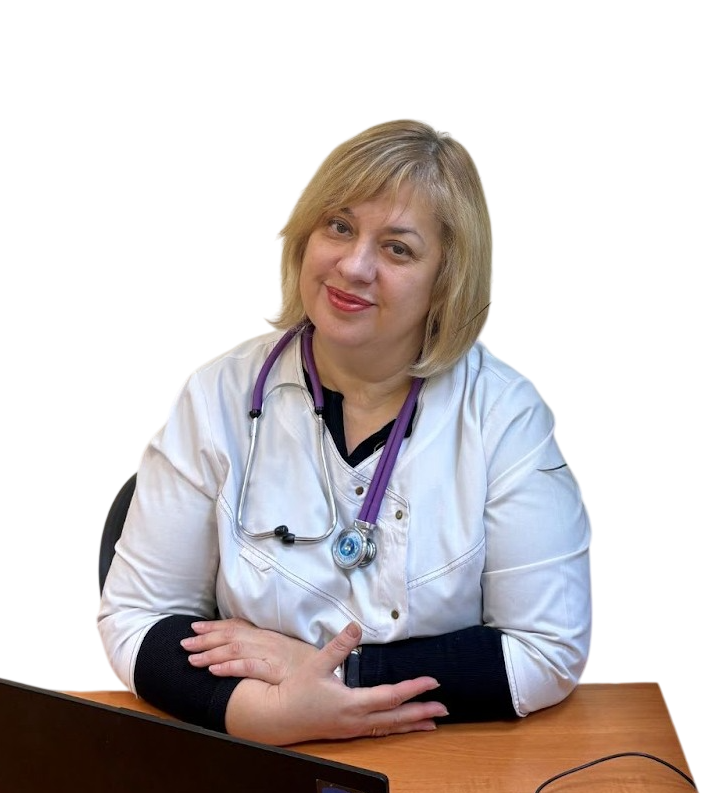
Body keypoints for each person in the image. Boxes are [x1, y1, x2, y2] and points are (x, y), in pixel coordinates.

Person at [96, 118, 593, 746]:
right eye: (339, 226)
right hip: (255, 753)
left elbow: (548, 649)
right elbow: (136, 620)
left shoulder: (505, 415)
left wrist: (337, 674)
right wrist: (266, 715)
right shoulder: (217, 393)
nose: (354, 266)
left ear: (446, 281)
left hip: (442, 754)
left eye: (398, 248)